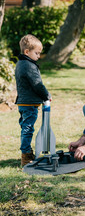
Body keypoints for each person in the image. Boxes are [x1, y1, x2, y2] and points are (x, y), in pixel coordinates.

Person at [15, 34, 51, 167]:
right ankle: (26, 156)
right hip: (29, 104)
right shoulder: (29, 66)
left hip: (23, 103)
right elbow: (37, 84)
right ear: (26, 52)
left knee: (26, 127)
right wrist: (46, 95)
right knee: (28, 129)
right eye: (36, 53)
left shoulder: (21, 63)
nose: (38, 56)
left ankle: (27, 152)